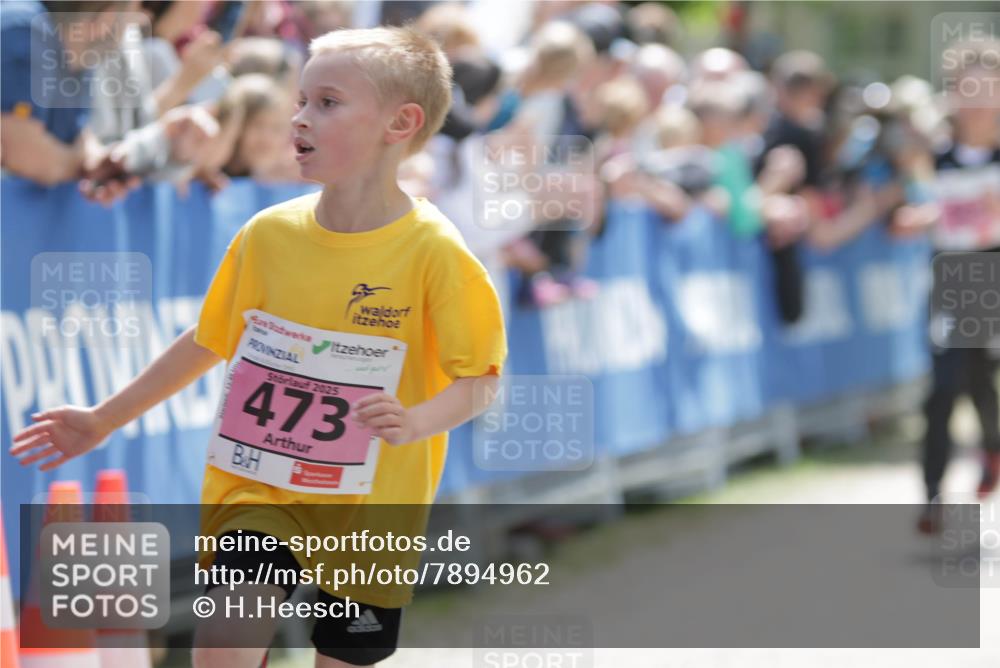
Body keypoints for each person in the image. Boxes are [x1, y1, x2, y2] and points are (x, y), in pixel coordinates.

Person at [12, 25, 507, 667]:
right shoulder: (269, 233)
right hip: (259, 488)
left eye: (327, 103)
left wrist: (416, 422)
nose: (300, 118)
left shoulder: (437, 253)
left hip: (373, 504)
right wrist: (104, 418)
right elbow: (210, 339)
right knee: (224, 642)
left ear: (400, 122)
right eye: (300, 101)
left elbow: (481, 378)